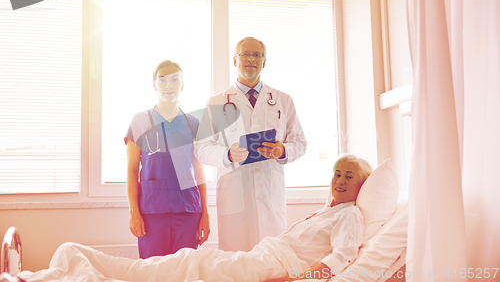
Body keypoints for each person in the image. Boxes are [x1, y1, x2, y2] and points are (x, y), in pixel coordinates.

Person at [15, 155, 371, 282]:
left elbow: (342, 259)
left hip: (267, 266)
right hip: (259, 258)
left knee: (187, 265)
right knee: (185, 263)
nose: (339, 181)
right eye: (337, 173)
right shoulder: (329, 211)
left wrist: (302, 278)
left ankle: (75, 260)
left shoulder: (350, 217)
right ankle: (76, 259)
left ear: (363, 185)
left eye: (348, 176)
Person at [194, 36, 307, 252]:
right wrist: (227, 155)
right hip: (235, 196)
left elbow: (300, 142)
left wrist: (282, 150)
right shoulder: (217, 102)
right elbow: (201, 148)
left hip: (270, 195)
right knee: (236, 264)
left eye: (257, 55)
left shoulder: (283, 100)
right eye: (245, 54)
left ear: (264, 62)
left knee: (271, 260)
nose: (251, 59)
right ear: (234, 60)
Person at [124, 60, 209, 258]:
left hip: (188, 210)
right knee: (153, 273)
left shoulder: (193, 124)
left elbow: (199, 172)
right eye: (162, 81)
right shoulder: (140, 120)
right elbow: (131, 170)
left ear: (183, 84)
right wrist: (133, 212)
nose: (168, 85)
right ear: (154, 85)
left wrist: (205, 213)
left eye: (174, 79)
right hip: (152, 211)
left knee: (184, 271)